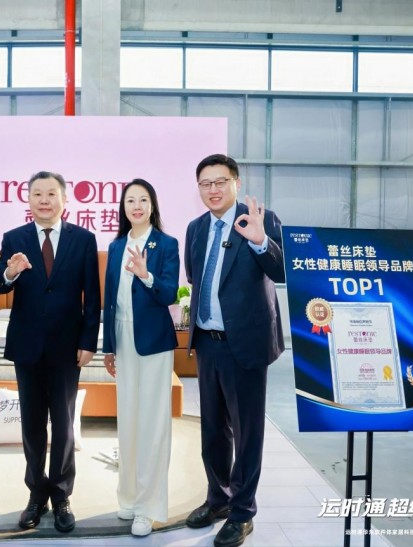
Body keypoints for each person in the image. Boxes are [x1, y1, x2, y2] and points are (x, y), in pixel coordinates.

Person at [184, 154, 285, 547]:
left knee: (247, 433)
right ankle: (219, 498)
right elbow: (195, 276)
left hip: (246, 345)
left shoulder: (261, 219)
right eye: (205, 183)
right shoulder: (196, 228)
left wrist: (260, 242)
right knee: (213, 430)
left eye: (220, 181)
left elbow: (281, 271)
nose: (213, 189)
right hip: (208, 344)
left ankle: (243, 512)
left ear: (236, 183)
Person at [0, 171, 101, 534]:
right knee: (32, 425)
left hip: (67, 348)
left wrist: (88, 341)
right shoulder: (15, 238)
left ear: (64, 200)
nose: (44, 200)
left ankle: (62, 495)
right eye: (37, 193)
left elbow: (92, 296)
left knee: (65, 425)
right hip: (27, 346)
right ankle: (36, 494)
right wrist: (9, 273)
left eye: (51, 194)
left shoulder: (83, 239)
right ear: (28, 199)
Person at [101, 178, 179, 537]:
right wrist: (109, 346)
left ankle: (149, 507)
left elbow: (168, 294)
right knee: (129, 420)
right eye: (130, 200)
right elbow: (109, 300)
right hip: (122, 337)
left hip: (153, 343)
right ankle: (129, 497)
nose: (136, 206)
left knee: (152, 423)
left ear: (152, 205)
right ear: (123, 207)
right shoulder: (117, 245)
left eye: (143, 200)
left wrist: (146, 275)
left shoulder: (166, 244)